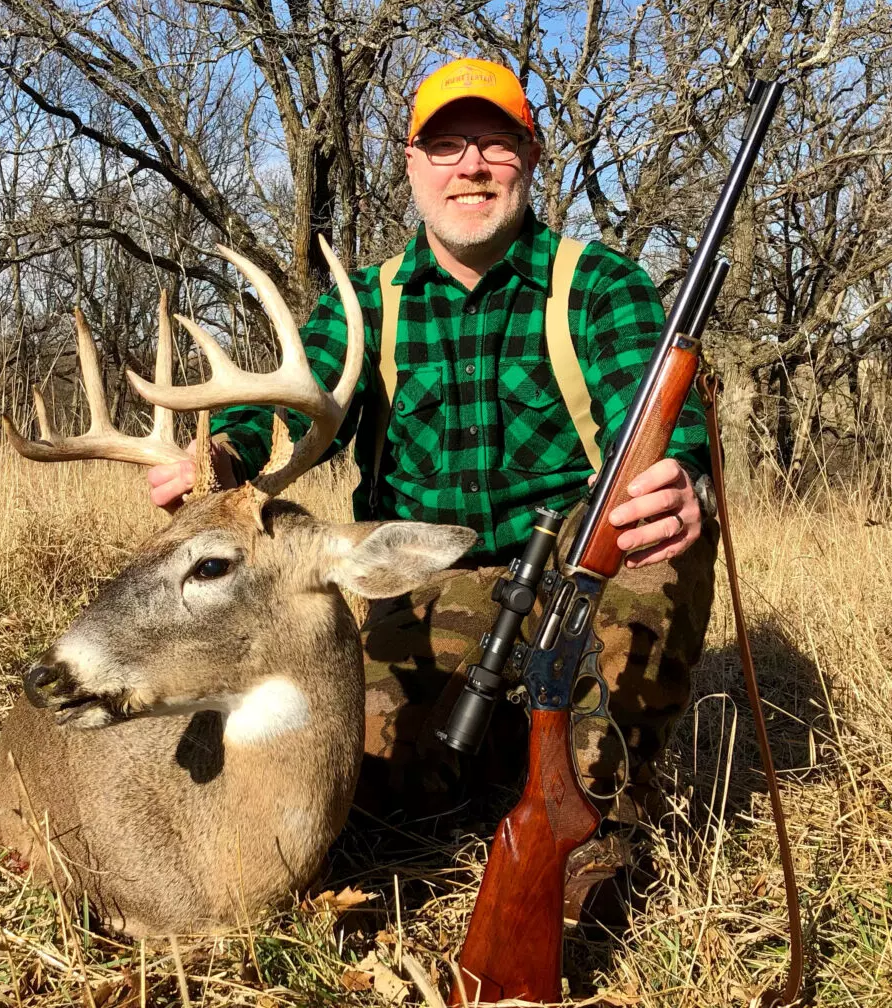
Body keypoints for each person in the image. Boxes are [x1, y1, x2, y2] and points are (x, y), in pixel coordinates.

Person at [148, 58, 718, 924]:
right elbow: (280, 410)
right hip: (422, 580)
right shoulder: (365, 303)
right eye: (446, 145)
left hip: (572, 572)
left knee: (651, 528)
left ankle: (599, 817)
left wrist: (683, 485)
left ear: (529, 156)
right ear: (412, 164)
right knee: (375, 783)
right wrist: (218, 459)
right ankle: (497, 754)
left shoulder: (601, 286)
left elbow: (661, 430)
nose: (472, 166)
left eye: (495, 142)